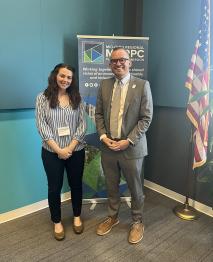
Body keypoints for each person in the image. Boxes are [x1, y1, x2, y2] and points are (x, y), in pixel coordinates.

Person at [95, 47, 153, 244]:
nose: (118, 63)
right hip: (108, 146)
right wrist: (103, 137)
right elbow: (99, 114)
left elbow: (146, 118)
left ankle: (137, 221)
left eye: (122, 60)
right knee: (111, 185)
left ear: (130, 62)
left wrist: (127, 141)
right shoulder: (104, 85)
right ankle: (113, 216)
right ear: (110, 64)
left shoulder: (142, 85)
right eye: (113, 61)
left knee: (135, 188)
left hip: (131, 147)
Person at [36, 63, 86, 240]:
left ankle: (77, 216)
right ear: (55, 76)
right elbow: (42, 127)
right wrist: (59, 150)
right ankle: (57, 221)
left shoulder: (77, 98)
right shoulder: (42, 98)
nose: (65, 80)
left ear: (73, 80)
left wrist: (70, 148)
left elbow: (82, 125)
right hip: (51, 152)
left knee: (76, 185)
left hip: (76, 151)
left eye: (69, 77)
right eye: (62, 76)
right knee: (54, 188)